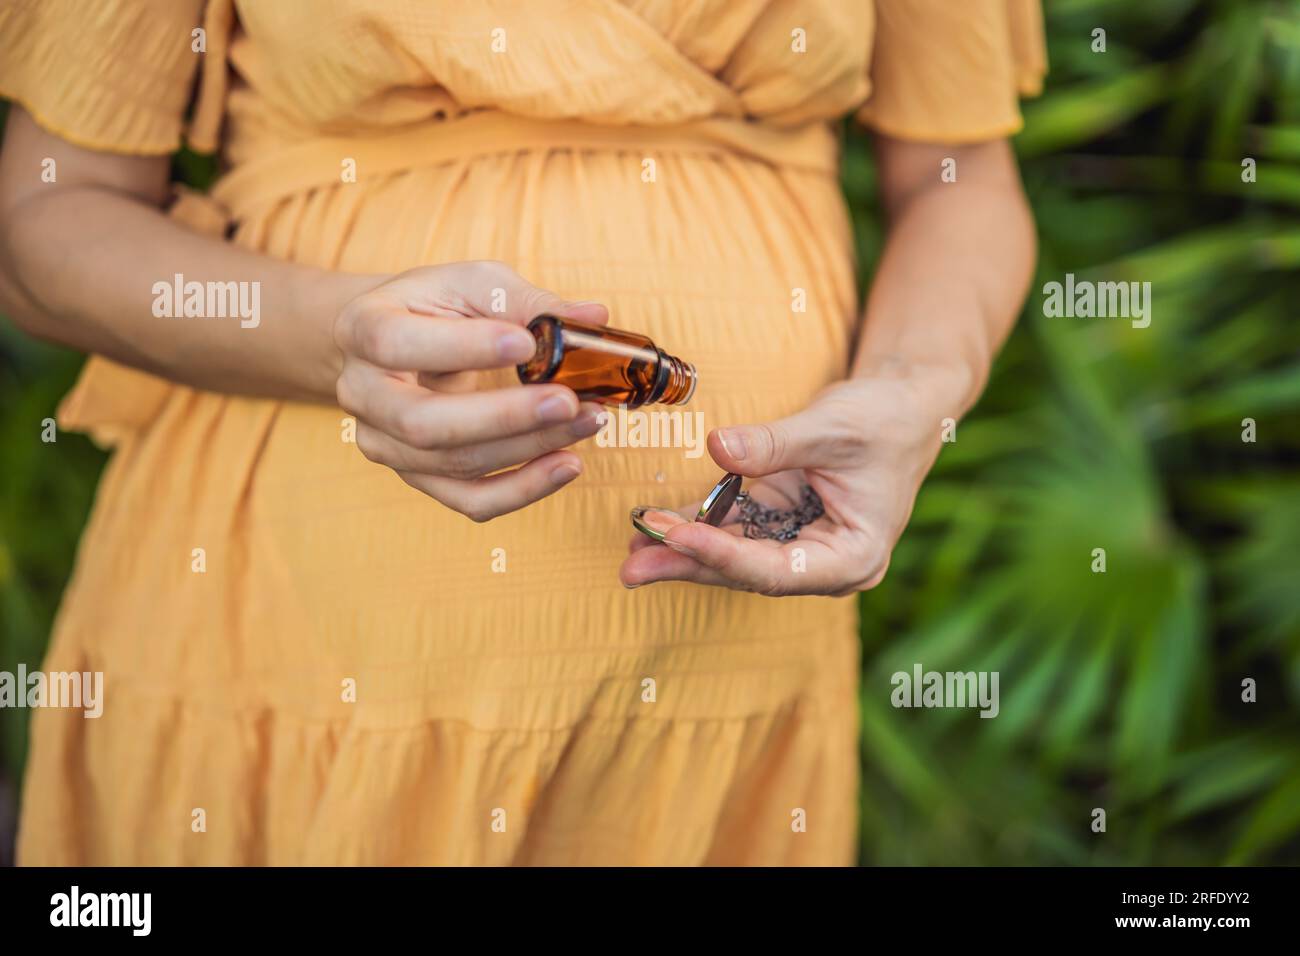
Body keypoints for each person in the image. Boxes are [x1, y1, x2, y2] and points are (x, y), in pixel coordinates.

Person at [0, 0, 1044, 865]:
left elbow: (959, 178)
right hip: (304, 653)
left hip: (729, 679)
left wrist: (916, 394)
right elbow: (46, 226)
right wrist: (335, 343)